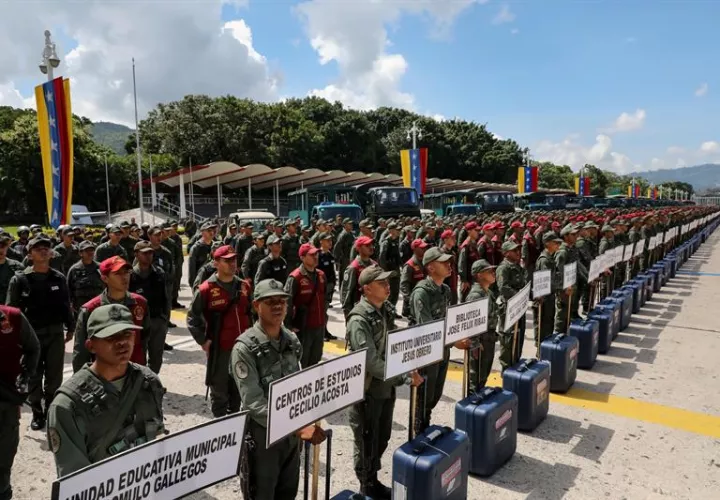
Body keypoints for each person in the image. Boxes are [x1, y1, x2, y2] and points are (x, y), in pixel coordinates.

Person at [231, 279, 326, 500]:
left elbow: (298, 383)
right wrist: (296, 426)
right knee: (263, 494)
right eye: (270, 301)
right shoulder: (244, 348)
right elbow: (254, 403)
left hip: (292, 436)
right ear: (256, 306)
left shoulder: (291, 340)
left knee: (287, 491)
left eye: (281, 301)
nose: (277, 306)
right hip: (264, 437)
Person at [47, 304, 165, 477]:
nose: (122, 342)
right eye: (111, 337)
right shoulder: (67, 405)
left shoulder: (148, 381)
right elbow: (75, 480)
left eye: (127, 334)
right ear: (91, 345)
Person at [347, 266, 423, 498]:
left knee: (382, 437)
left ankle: (373, 479)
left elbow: (396, 343)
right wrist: (403, 376)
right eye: (381, 283)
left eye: (387, 282)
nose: (387, 286)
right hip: (367, 391)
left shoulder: (384, 310)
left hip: (385, 388)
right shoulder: (359, 319)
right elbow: (371, 362)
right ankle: (366, 485)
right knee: (367, 440)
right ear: (367, 288)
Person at [6, 235, 74, 431]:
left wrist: (70, 326)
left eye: (46, 247)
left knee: (54, 376)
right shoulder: (20, 279)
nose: (43, 251)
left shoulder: (58, 278)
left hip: (54, 334)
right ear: (30, 254)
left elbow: (65, 305)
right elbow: (12, 310)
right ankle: (37, 412)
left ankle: (51, 410)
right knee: (34, 376)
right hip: (31, 336)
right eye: (38, 248)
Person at [187, 245, 252, 417]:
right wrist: (203, 341)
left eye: (234, 260)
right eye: (227, 260)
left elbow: (252, 313)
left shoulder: (244, 286)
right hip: (220, 350)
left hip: (243, 349)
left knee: (239, 389)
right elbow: (192, 318)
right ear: (216, 263)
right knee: (220, 393)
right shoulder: (206, 290)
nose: (232, 264)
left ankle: (236, 426)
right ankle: (221, 429)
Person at [73, 256, 149, 373]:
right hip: (105, 375)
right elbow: (81, 351)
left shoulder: (140, 303)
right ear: (105, 278)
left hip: (134, 373)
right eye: (118, 273)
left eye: (126, 272)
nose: (124, 277)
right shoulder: (91, 309)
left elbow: (146, 338)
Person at [409, 247, 452, 433]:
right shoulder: (422, 292)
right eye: (443, 262)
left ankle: (426, 424)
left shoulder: (445, 290)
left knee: (435, 394)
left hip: (443, 347)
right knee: (424, 397)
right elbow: (426, 326)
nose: (448, 265)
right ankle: (419, 430)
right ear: (431, 267)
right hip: (427, 350)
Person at [0, 305, 39, 500]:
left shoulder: (12, 317)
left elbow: (33, 348)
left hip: (5, 404)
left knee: (3, 464)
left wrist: (24, 378)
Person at [455, 259, 497, 392]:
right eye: (489, 271)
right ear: (479, 275)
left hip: (489, 337)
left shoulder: (488, 292)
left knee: (483, 376)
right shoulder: (475, 295)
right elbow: (471, 323)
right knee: (476, 378)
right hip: (480, 341)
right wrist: (475, 344)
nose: (493, 273)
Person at [129, 241, 169, 374]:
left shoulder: (159, 273)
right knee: (138, 356)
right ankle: (139, 384)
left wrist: (165, 319)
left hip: (157, 320)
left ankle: (152, 382)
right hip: (137, 323)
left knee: (156, 356)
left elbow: (165, 298)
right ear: (136, 254)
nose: (148, 256)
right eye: (145, 253)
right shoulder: (130, 276)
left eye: (150, 253)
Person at [284, 243, 326, 367]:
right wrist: (288, 326)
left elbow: (325, 298)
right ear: (302, 257)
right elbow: (287, 302)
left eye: (316, 254)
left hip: (319, 325)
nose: (316, 257)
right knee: (304, 359)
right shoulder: (295, 277)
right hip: (304, 327)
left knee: (316, 358)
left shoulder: (321, 275)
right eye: (312, 255)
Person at [495, 241, 528, 371]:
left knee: (519, 333)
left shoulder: (517, 266)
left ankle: (516, 360)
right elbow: (503, 288)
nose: (518, 253)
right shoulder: (503, 268)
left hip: (519, 305)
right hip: (508, 306)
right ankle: (506, 367)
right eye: (514, 251)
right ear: (506, 253)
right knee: (507, 337)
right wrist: (519, 296)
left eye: (518, 250)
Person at [534, 233, 563, 346]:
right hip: (544, 297)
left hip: (549, 295)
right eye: (555, 243)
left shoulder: (550, 257)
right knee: (543, 325)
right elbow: (547, 281)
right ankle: (541, 348)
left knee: (549, 323)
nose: (558, 245)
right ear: (547, 243)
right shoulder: (544, 260)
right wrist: (560, 287)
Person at [341, 236, 377, 320]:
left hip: (373, 308)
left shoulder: (374, 265)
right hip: (360, 310)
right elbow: (347, 294)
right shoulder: (353, 268)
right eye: (367, 245)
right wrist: (348, 316)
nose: (371, 247)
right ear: (359, 248)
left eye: (371, 245)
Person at [66, 241, 104, 317]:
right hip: (81, 309)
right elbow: (68, 289)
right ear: (80, 253)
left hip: (99, 308)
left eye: (92, 250)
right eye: (87, 251)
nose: (90, 253)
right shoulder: (74, 269)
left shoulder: (100, 267)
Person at [554, 224, 579, 333]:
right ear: (566, 237)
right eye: (573, 235)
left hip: (571, 284)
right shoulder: (562, 251)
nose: (576, 236)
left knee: (569, 312)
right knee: (562, 314)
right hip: (564, 288)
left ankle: (565, 334)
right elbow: (558, 272)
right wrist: (564, 287)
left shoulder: (571, 249)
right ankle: (559, 335)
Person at [399, 239, 428, 323]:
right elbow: (404, 285)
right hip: (413, 303)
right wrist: (410, 300)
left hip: (424, 299)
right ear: (415, 249)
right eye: (422, 248)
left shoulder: (425, 262)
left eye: (425, 248)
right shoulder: (409, 265)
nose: (425, 250)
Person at [316, 232, 337, 341]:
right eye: (327, 240)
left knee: (325, 310)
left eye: (330, 240)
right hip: (321, 287)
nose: (330, 242)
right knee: (321, 311)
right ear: (321, 241)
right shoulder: (318, 255)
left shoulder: (330, 254)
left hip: (329, 287)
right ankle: (321, 333)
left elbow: (332, 272)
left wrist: (333, 283)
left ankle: (325, 331)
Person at [378, 223, 402, 311]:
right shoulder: (386, 242)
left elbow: (397, 256)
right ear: (391, 231)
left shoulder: (395, 241)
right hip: (389, 271)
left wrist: (401, 265)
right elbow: (382, 258)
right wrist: (385, 273)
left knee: (396, 291)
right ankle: (387, 312)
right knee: (389, 293)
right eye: (396, 230)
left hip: (395, 270)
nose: (398, 231)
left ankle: (392, 310)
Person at [188, 222, 216, 288]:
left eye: (213, 230)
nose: (212, 232)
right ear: (202, 232)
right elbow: (192, 269)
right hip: (201, 283)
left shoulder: (216, 246)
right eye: (209, 231)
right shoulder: (196, 248)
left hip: (215, 282)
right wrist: (194, 285)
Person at [333, 218, 355, 292]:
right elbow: (337, 247)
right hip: (345, 259)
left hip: (350, 258)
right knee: (344, 277)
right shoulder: (343, 235)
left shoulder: (350, 234)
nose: (351, 225)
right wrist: (337, 260)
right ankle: (343, 292)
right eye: (349, 224)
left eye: (352, 224)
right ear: (344, 225)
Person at [0, 235, 23, 303]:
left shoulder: (17, 266)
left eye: (2, 247)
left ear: (7, 247)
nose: (0, 250)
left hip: (11, 308)